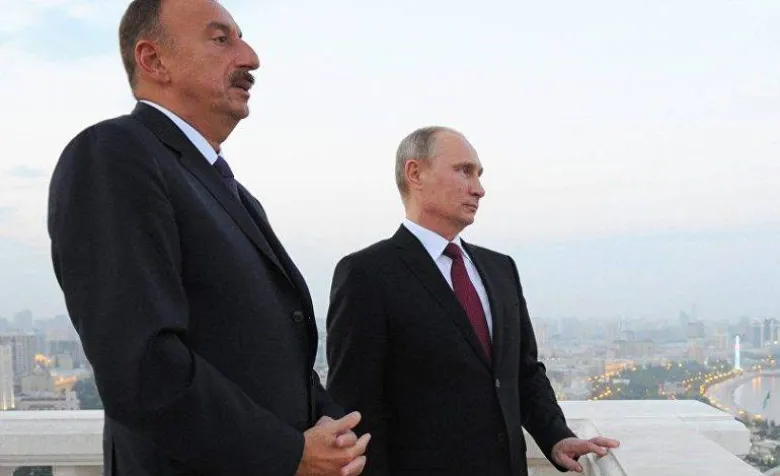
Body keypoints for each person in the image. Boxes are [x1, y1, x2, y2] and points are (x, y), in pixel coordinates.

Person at [48, 1, 369, 474]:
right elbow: (142, 366)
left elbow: (263, 355)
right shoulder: (113, 154)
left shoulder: (232, 193)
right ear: (153, 60)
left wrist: (333, 432)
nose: (250, 58)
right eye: (221, 39)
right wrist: (288, 454)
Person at [325, 126, 619, 475]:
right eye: (464, 171)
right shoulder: (367, 274)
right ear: (415, 173)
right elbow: (357, 408)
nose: (479, 189)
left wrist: (556, 436)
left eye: (479, 175)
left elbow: (523, 373)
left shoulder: (500, 269)